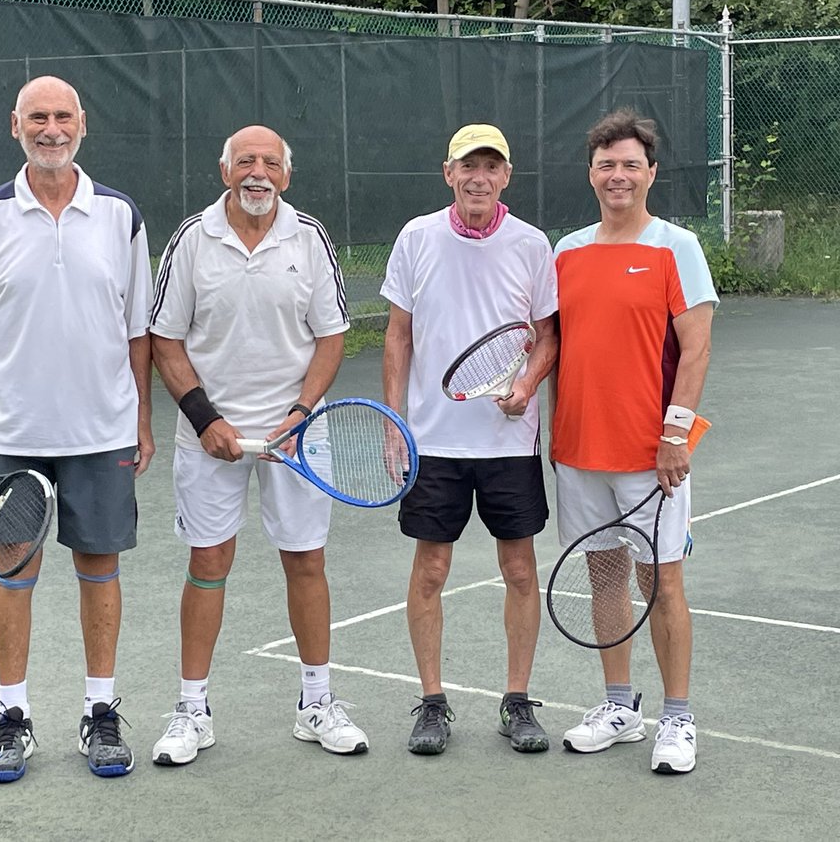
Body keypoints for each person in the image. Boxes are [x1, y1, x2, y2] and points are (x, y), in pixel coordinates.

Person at [0, 75, 155, 783]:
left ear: (82, 125)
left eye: (63, 116)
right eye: (38, 117)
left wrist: (142, 418)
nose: (51, 128)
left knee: (99, 569)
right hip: (12, 434)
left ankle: (100, 714)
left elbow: (137, 331)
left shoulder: (120, 215)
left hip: (102, 432)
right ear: (16, 126)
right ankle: (11, 719)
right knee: (14, 574)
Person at [148, 124, 368, 766]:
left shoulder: (310, 238)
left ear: (286, 176)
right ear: (225, 172)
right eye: (245, 160)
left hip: (297, 436)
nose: (258, 172)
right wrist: (204, 418)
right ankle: (192, 711)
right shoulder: (192, 240)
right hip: (210, 435)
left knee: (306, 561)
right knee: (208, 562)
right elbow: (167, 340)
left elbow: (330, 338)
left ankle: (317, 704)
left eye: (271, 162)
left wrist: (300, 413)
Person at [381, 124, 559, 756]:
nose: (479, 177)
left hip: (509, 442)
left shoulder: (533, 244)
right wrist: (393, 419)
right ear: (448, 173)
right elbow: (397, 334)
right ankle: (432, 703)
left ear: (506, 176)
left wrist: (528, 382)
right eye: (468, 166)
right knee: (430, 568)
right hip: (433, 442)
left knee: (518, 568)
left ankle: (517, 701)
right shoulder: (416, 237)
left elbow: (547, 336)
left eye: (491, 166)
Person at [551, 108, 718, 775]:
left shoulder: (676, 247)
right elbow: (554, 343)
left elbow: (697, 346)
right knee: (605, 574)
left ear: (650, 173)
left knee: (662, 580)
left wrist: (675, 436)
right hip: (577, 451)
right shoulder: (566, 251)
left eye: (629, 165)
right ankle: (620, 707)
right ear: (591, 174)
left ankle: (677, 718)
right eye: (605, 165)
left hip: (653, 458)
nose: (617, 175)